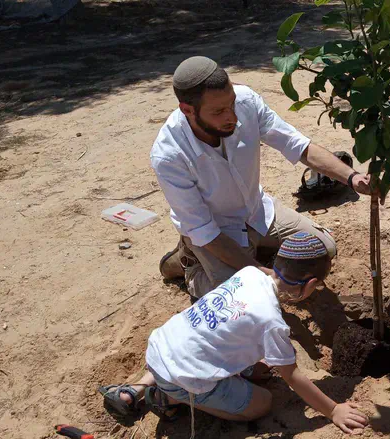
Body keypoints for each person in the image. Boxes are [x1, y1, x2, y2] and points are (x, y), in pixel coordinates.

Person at [99, 232, 369, 434]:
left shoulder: (250, 274)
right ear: (310, 283)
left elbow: (229, 325)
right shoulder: (271, 321)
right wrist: (333, 410)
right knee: (262, 403)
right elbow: (292, 376)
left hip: (162, 347)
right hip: (181, 375)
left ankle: (135, 389)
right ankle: (168, 397)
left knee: (251, 364)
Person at [154, 56, 372, 298]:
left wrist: (352, 177)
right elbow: (205, 231)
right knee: (245, 296)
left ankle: (253, 252)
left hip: (257, 211)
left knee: (323, 249)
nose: (233, 117)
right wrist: (265, 276)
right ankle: (189, 265)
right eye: (219, 112)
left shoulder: (246, 101)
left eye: (232, 104)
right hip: (216, 233)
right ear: (187, 110)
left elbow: (296, 144)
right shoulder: (169, 156)